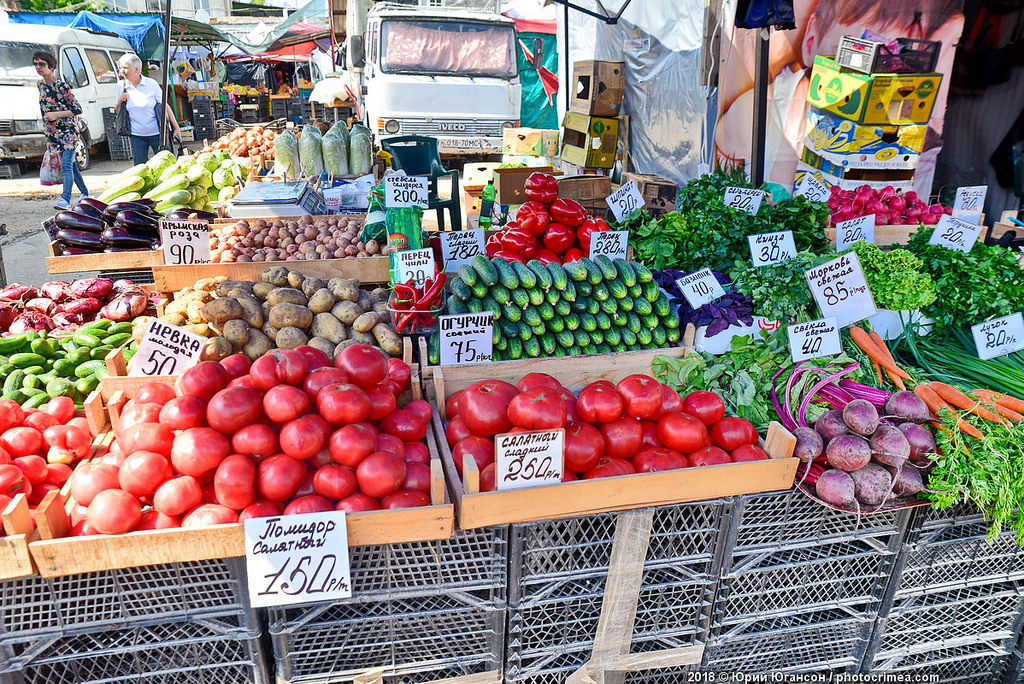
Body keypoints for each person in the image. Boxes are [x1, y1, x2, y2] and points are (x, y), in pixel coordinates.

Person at [33, 50, 88, 211]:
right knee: (72, 166)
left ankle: (65, 199)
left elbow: (77, 109)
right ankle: (85, 193)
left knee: (66, 166)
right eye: (36, 64)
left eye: (41, 64)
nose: (38, 67)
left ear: (51, 67)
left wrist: (56, 115)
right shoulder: (40, 85)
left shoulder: (62, 87)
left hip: (68, 133)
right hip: (53, 135)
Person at [115, 53, 182, 165]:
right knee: (140, 167)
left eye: (125, 68)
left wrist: (176, 127)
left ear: (136, 69)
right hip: (136, 135)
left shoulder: (151, 84)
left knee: (165, 165)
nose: (122, 71)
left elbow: (165, 106)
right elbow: (118, 111)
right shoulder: (121, 86)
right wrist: (119, 101)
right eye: (120, 67)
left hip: (157, 133)